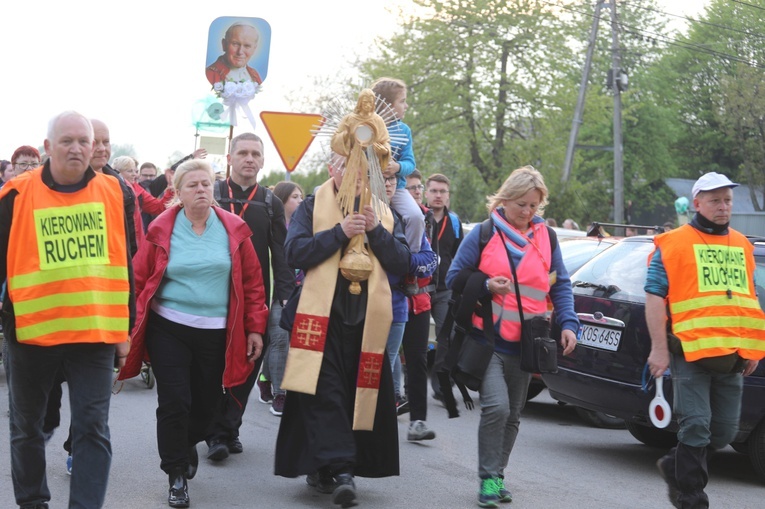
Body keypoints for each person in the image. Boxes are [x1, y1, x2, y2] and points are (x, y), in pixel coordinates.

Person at [0, 110, 134, 509]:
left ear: (93, 147)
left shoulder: (113, 193)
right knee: (27, 428)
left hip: (93, 334)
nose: (76, 148)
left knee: (93, 428)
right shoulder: (16, 196)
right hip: (31, 335)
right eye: (66, 141)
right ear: (47, 147)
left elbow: (122, 263)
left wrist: (124, 333)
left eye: (83, 141)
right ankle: (32, 503)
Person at [118, 159, 268, 508]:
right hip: (168, 328)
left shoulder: (234, 228)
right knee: (174, 402)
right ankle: (176, 474)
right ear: (178, 193)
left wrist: (255, 328)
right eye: (193, 185)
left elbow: (253, 284)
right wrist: (127, 327)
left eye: (206, 184)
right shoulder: (161, 228)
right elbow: (139, 280)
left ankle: (187, 442)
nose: (201, 190)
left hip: (216, 333)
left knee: (206, 404)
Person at [274, 150, 410, 507]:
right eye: (351, 170)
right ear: (334, 170)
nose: (359, 179)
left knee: (354, 396)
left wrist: (376, 231)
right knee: (327, 394)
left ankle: (323, 464)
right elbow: (295, 253)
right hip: (324, 318)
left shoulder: (382, 212)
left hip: (368, 321)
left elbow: (402, 262)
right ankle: (344, 470)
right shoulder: (311, 206)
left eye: (367, 173)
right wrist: (339, 232)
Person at [447, 165, 578, 508]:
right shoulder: (485, 233)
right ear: (504, 199)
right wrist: (487, 285)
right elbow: (454, 277)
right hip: (487, 339)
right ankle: (488, 480)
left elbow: (560, 284)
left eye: (534, 205)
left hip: (527, 344)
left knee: (514, 414)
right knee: (497, 408)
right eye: (521, 204)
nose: (527, 212)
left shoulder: (547, 238)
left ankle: (497, 473)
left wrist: (568, 323)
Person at [645, 172, 765, 509]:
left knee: (724, 432)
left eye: (727, 199)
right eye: (715, 200)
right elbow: (654, 296)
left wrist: (751, 347)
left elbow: (748, 296)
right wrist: (658, 349)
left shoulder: (742, 244)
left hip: (732, 354)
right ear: (697, 203)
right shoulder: (674, 243)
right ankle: (691, 498)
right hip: (690, 351)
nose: (723, 206)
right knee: (696, 425)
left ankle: (674, 464)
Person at [205, 132, 294, 461]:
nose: (249, 158)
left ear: (262, 160)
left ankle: (229, 426)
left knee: (250, 361)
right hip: (213, 294)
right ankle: (218, 432)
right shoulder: (212, 193)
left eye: (255, 153)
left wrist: (285, 297)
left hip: (255, 298)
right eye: (242, 152)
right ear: (229, 159)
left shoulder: (270, 203)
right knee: (215, 364)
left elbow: (281, 254)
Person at [384, 169, 438, 440]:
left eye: (418, 188)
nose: (416, 192)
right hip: (386, 300)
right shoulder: (381, 217)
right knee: (384, 359)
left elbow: (430, 261)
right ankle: (383, 410)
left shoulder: (419, 222)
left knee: (416, 360)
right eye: (413, 188)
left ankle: (417, 421)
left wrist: (409, 264)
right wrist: (409, 263)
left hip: (417, 300)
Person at [259, 181, 304, 416]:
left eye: (301, 196)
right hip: (276, 292)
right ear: (282, 199)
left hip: (299, 291)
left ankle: (265, 379)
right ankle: (281, 394)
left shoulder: (307, 225)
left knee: (278, 341)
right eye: (295, 197)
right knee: (279, 340)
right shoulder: (271, 225)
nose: (300, 201)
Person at [372, 77, 424, 253]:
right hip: (368, 189)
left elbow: (410, 162)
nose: (406, 106)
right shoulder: (365, 127)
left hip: (397, 188)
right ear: (387, 105)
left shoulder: (403, 130)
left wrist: (397, 167)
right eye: (402, 101)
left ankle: (410, 258)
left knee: (416, 216)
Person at [424, 173, 464, 400]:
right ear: (426, 193)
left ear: (448, 195)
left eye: (443, 192)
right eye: (434, 191)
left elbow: (459, 256)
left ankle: (440, 384)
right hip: (419, 288)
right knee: (417, 338)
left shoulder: (455, 222)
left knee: (446, 335)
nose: (438, 196)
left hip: (444, 289)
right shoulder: (419, 216)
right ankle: (412, 384)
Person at [111, 156, 169, 248]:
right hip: (117, 243)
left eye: (135, 171)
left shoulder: (137, 189)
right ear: (117, 172)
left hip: (137, 244)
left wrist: (171, 188)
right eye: (130, 171)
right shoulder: (108, 189)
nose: (135, 174)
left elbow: (158, 207)